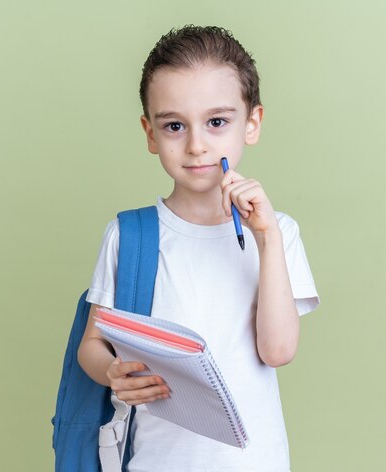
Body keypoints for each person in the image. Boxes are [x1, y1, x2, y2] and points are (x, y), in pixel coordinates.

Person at [77, 25, 320, 472]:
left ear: (252, 124)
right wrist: (112, 374)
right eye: (174, 126)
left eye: (216, 122)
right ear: (150, 134)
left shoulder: (278, 232)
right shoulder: (129, 235)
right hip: (154, 461)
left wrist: (266, 240)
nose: (196, 145)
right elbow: (92, 345)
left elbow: (278, 350)